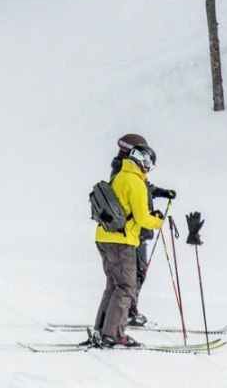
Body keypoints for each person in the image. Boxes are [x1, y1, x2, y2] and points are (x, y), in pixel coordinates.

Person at [93, 133, 163, 348]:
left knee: (113, 285)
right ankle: (113, 333)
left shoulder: (120, 175)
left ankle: (102, 329)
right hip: (122, 241)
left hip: (104, 237)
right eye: (148, 164)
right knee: (125, 286)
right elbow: (142, 217)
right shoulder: (136, 182)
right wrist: (157, 221)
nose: (148, 168)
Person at [111, 152, 176, 327]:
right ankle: (129, 312)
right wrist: (156, 221)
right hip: (132, 234)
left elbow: (147, 189)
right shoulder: (129, 176)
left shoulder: (127, 172)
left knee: (125, 279)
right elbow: (139, 210)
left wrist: (161, 192)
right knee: (132, 276)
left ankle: (119, 316)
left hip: (132, 234)